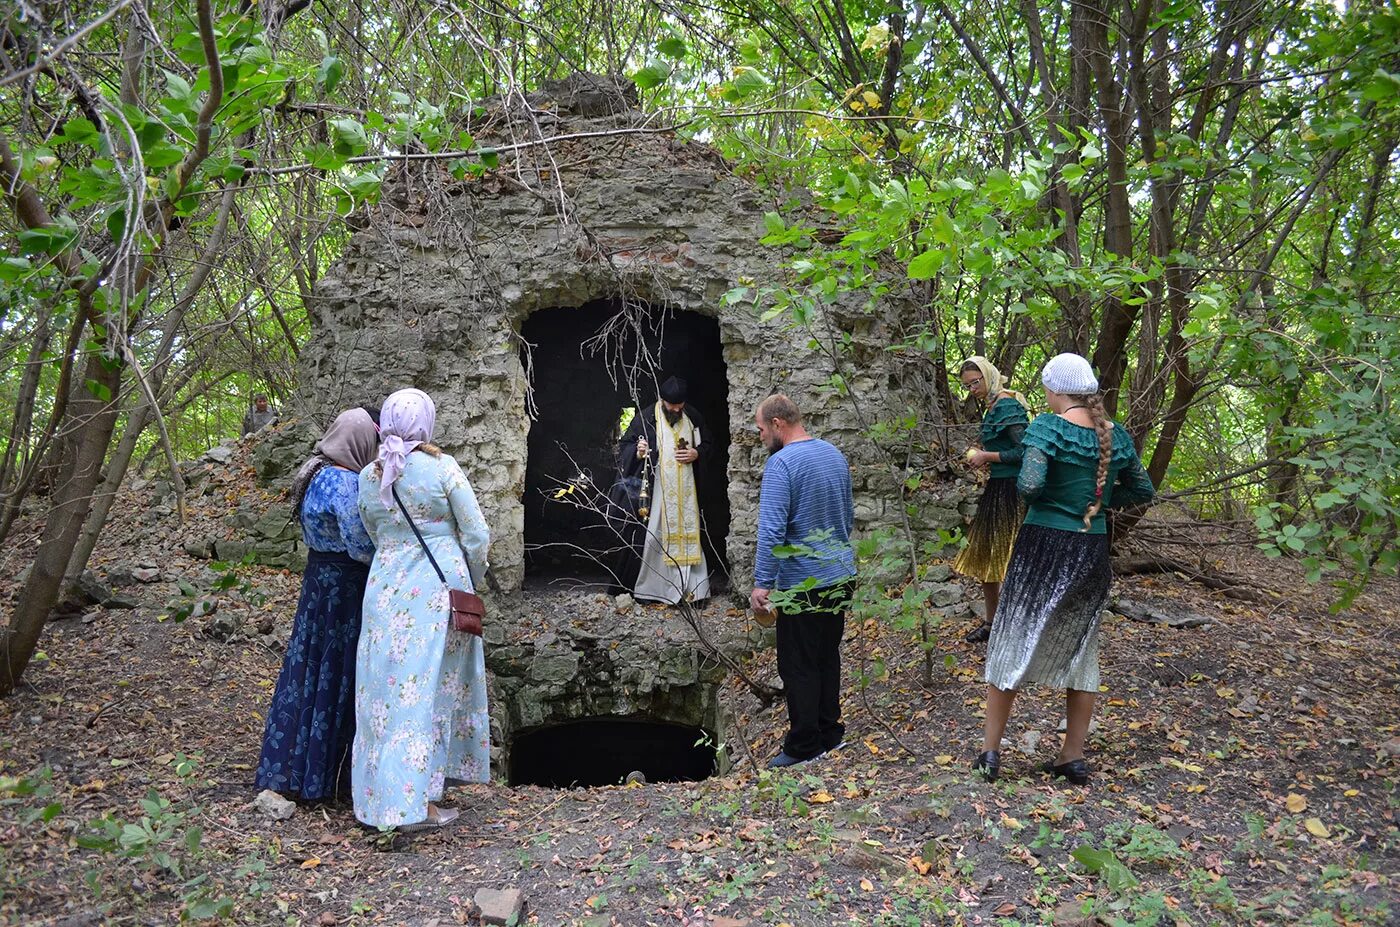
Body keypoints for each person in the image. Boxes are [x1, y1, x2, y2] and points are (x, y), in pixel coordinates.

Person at [975, 353, 1155, 785]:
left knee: (1012, 640)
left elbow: (1030, 484)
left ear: (1055, 390)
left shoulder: (1047, 427)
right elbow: (1142, 489)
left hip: (1043, 548)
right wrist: (1097, 504)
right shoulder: (1118, 436)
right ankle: (1071, 756)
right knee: (1081, 648)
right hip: (1090, 551)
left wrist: (1046, 504)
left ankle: (991, 752)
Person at [353, 389, 491, 829]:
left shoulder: (366, 476)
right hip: (435, 591)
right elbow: (477, 534)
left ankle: (381, 802)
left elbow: (372, 531)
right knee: (429, 692)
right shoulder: (442, 468)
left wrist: (396, 553)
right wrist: (469, 572)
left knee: (383, 694)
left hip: (384, 588)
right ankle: (419, 803)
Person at [255, 408, 379, 801]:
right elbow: (359, 545)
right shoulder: (344, 482)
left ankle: (292, 768)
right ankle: (328, 777)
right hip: (343, 587)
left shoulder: (314, 471)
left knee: (308, 668)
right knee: (337, 670)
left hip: (317, 583)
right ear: (359, 441)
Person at [749, 394, 857, 768]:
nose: (760, 436)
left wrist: (763, 582)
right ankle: (830, 733)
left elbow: (772, 530)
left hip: (804, 582)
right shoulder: (833, 454)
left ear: (778, 424)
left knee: (798, 664)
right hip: (840, 574)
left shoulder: (782, 464)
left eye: (761, 429)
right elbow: (847, 516)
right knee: (826, 656)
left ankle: (803, 745)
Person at [952, 357, 1031, 644]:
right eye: (967, 385)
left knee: (1011, 560)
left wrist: (987, 456)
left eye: (976, 382)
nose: (973, 388)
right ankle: (992, 623)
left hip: (1013, 491)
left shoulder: (1008, 405)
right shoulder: (993, 405)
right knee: (987, 559)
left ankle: (1017, 625)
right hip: (997, 487)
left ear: (989, 376)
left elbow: (1024, 451)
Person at [614, 376, 712, 604]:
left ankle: (693, 591)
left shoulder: (692, 416)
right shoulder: (646, 418)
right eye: (671, 406)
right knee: (654, 538)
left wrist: (696, 454)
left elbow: (708, 443)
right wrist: (638, 453)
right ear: (662, 400)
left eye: (680, 406)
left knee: (690, 537)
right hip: (658, 492)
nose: (676, 410)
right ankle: (654, 591)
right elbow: (625, 447)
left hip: (688, 494)